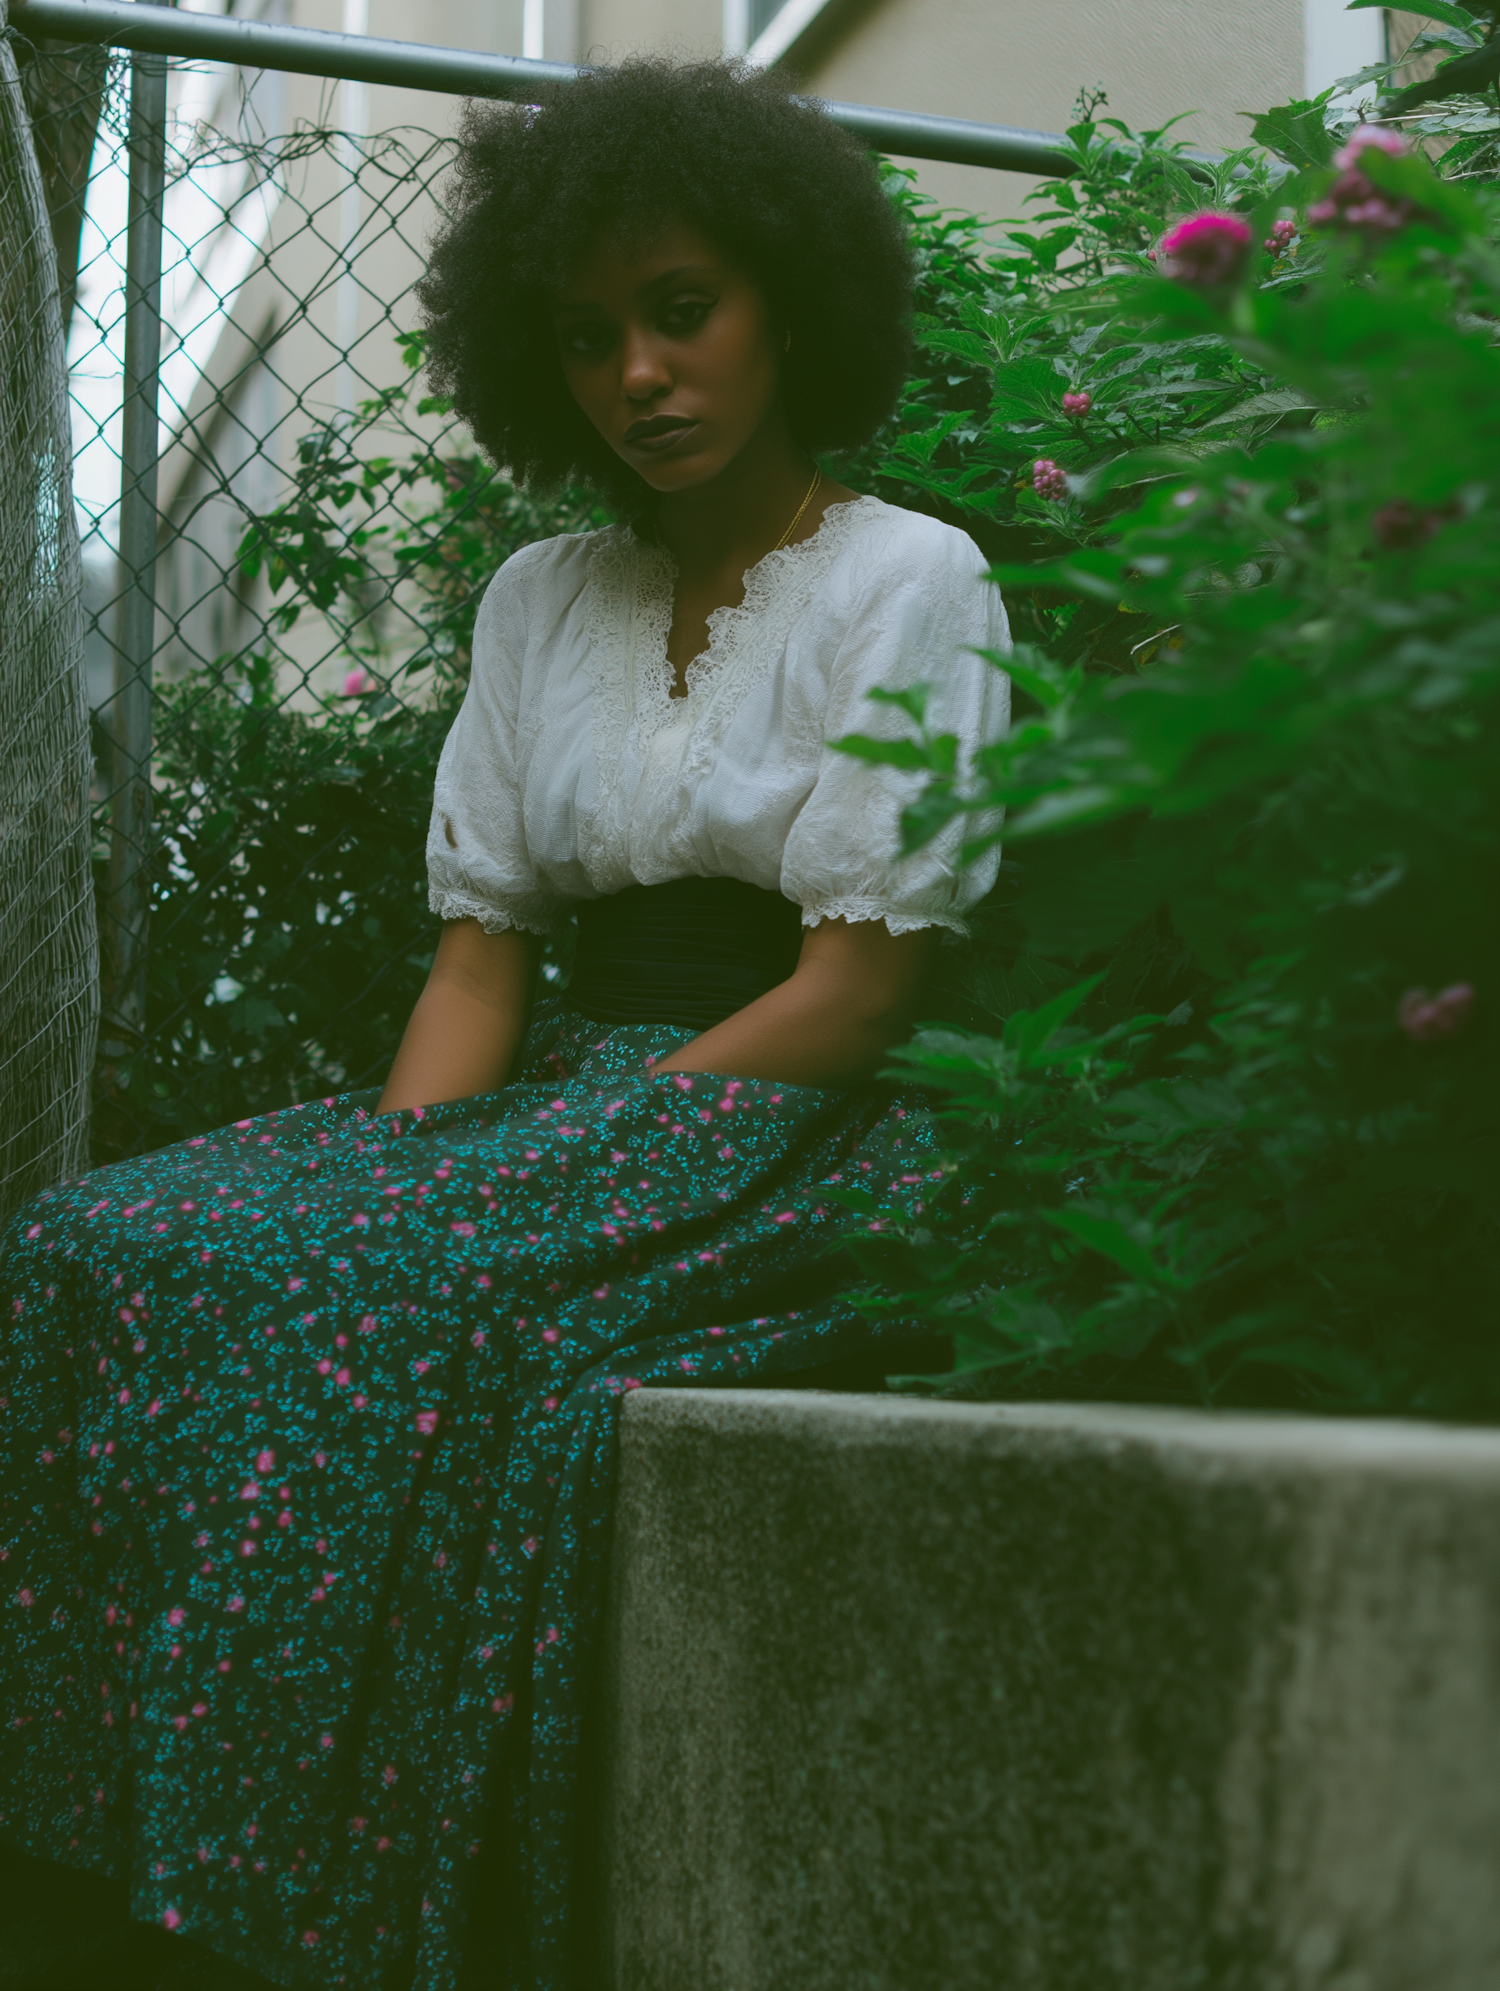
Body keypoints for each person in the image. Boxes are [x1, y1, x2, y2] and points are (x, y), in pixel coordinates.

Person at [0, 57, 1009, 1991]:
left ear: (791, 301)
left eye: (683, 309)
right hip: (552, 1101)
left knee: (389, 1296)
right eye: (587, 334)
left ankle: (297, 1904)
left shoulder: (910, 578)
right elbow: (480, 966)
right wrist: (395, 1183)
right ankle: (85, 1863)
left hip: (792, 1108)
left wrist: (509, 1185)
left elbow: (863, 985)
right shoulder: (542, 597)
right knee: (93, 1243)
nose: (639, 371)